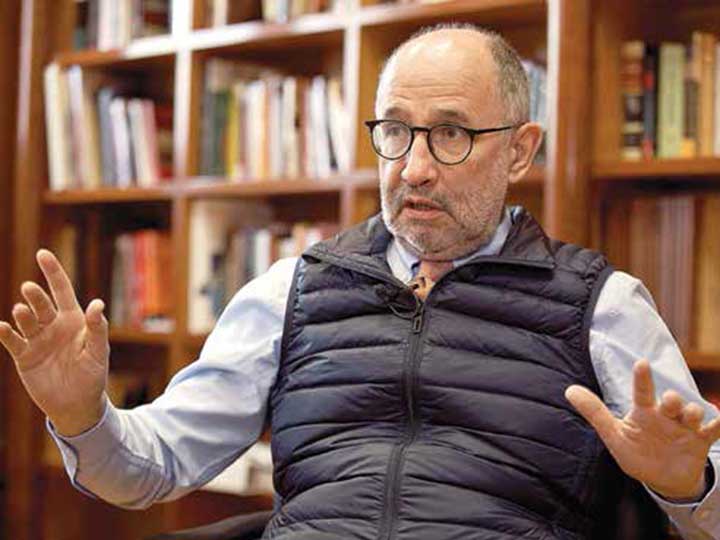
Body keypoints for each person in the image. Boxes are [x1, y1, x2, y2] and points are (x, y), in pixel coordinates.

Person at [1, 23, 719, 540]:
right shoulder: (292, 289)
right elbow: (151, 468)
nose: (414, 168)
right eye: (396, 131)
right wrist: (82, 417)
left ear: (519, 151)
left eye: (451, 134)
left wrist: (687, 483)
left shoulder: (600, 304)